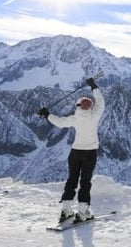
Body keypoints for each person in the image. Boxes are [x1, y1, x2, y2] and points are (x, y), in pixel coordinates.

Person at [38, 77, 104, 223]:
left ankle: (66, 210)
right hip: (90, 153)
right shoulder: (94, 116)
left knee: (72, 180)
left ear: (78, 106)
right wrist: (93, 86)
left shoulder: (74, 118)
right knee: (85, 182)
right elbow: (101, 103)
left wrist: (47, 115)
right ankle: (82, 212)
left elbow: (60, 123)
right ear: (90, 106)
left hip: (75, 153)